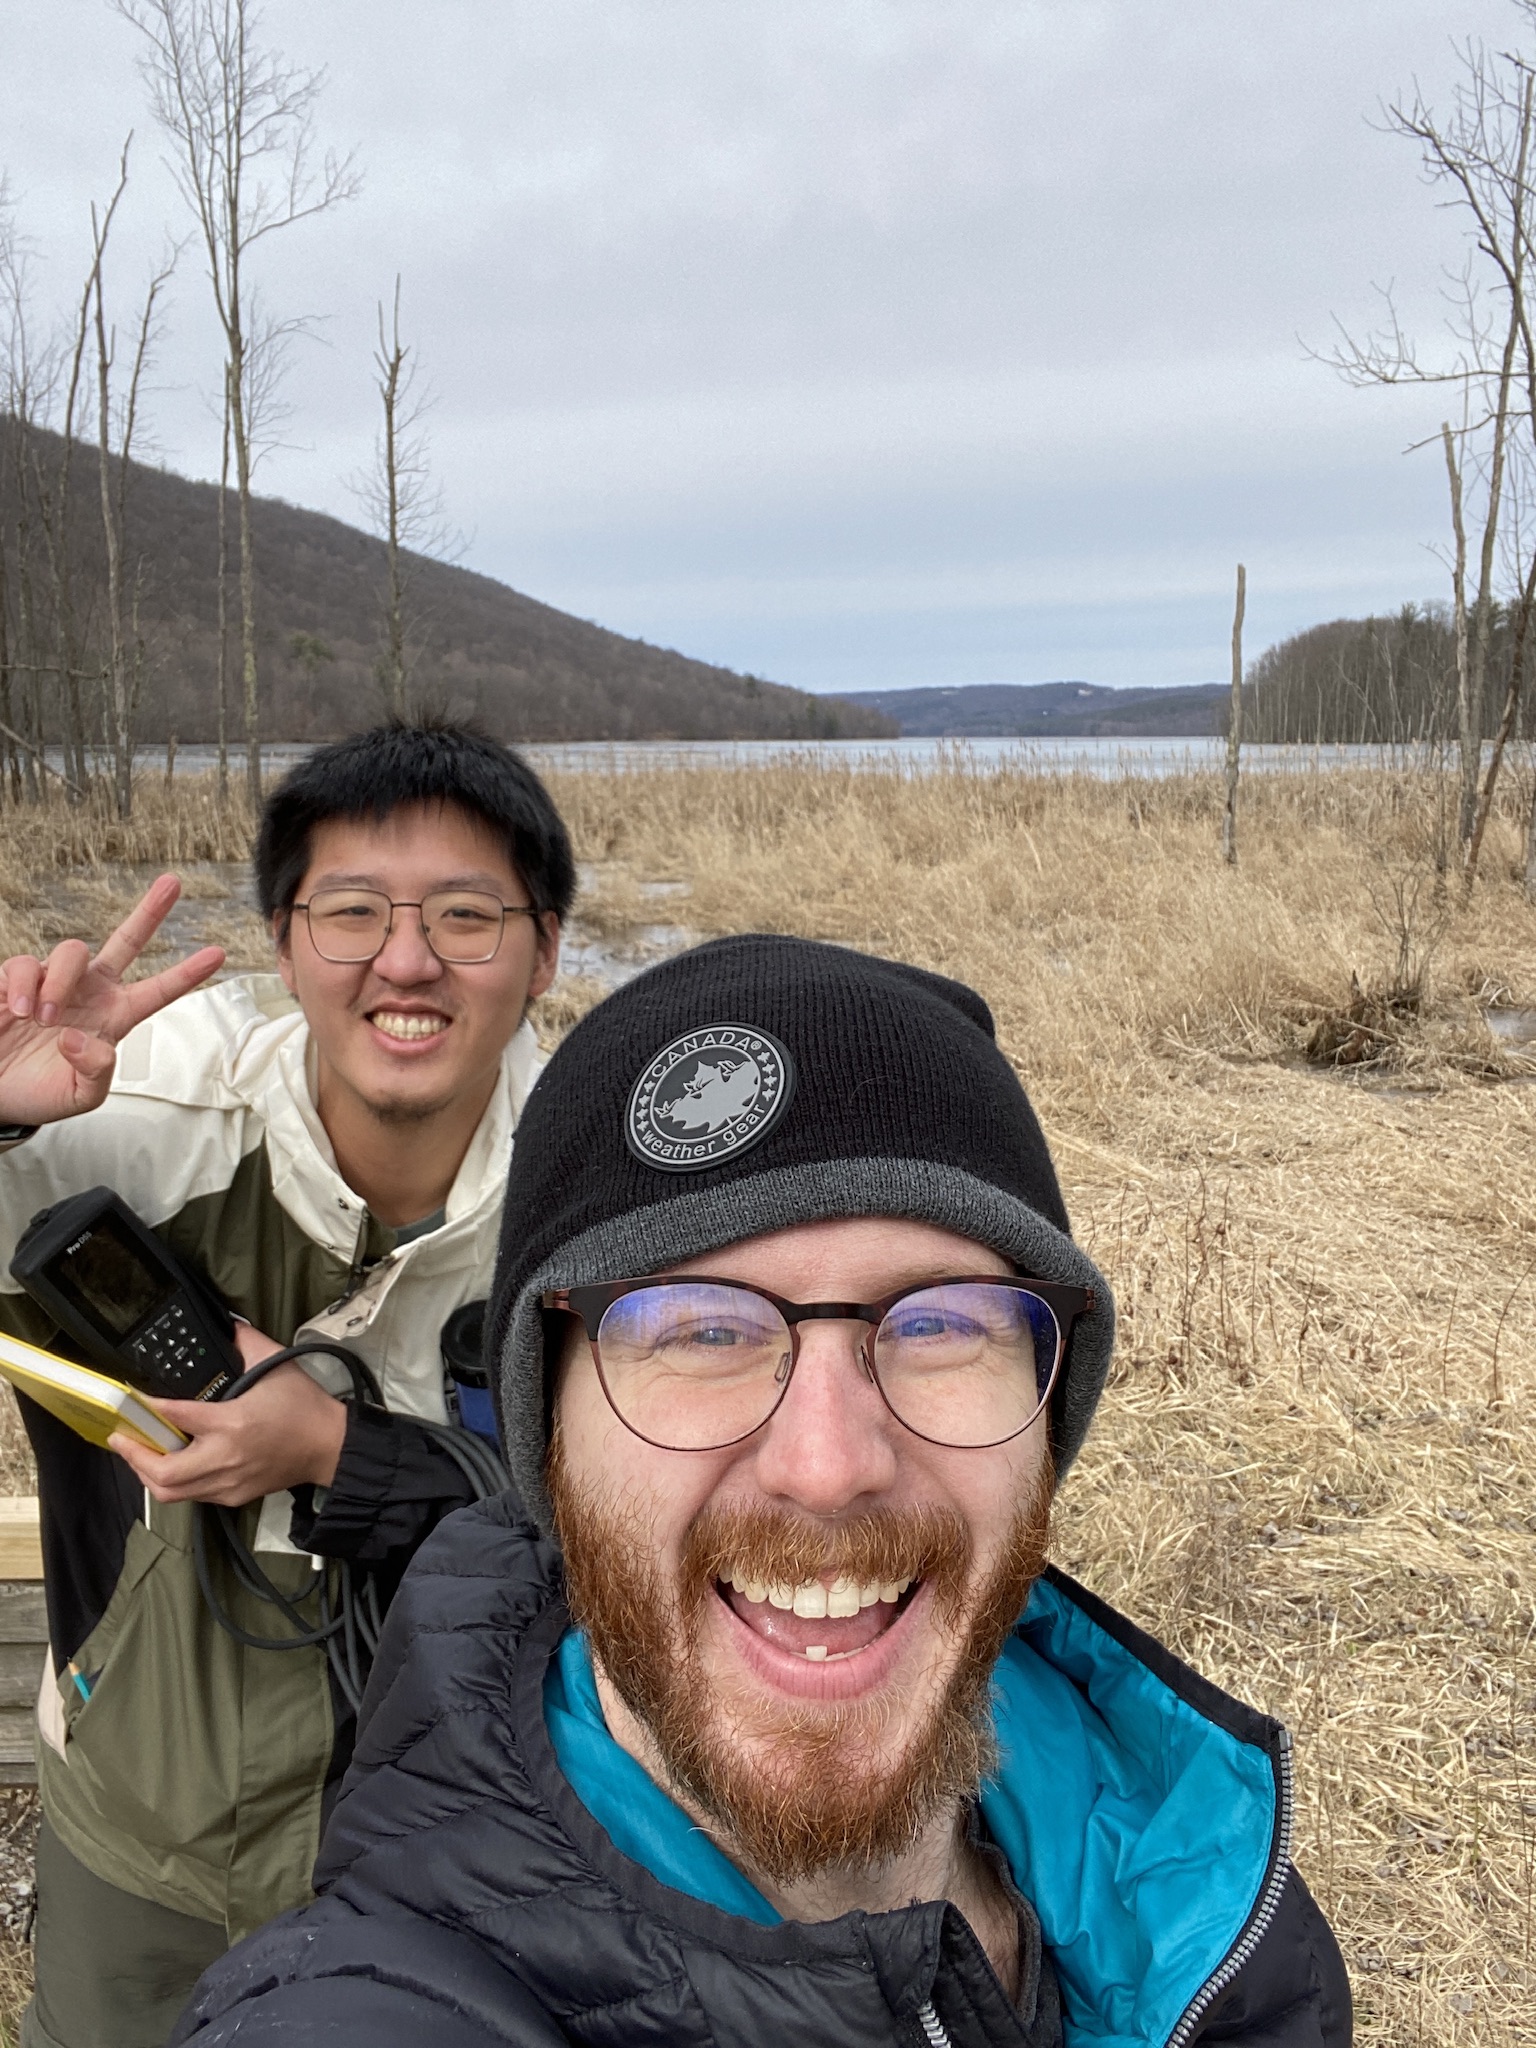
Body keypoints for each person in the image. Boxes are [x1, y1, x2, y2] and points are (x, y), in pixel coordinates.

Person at [174, 935, 1352, 2048]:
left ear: (1047, 1409)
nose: (827, 1466)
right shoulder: (378, 1996)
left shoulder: (1203, 1874)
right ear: (552, 1437)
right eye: (699, 1328)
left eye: (938, 1322)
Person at [0, 720, 574, 2048]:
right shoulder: (127, 1117)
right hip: (139, 1815)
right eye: (352, 911)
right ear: (282, 940)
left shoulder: (597, 1206)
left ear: (546, 949)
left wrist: (337, 1453)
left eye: (467, 915)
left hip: (463, 1848)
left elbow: (644, 1532)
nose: (407, 961)